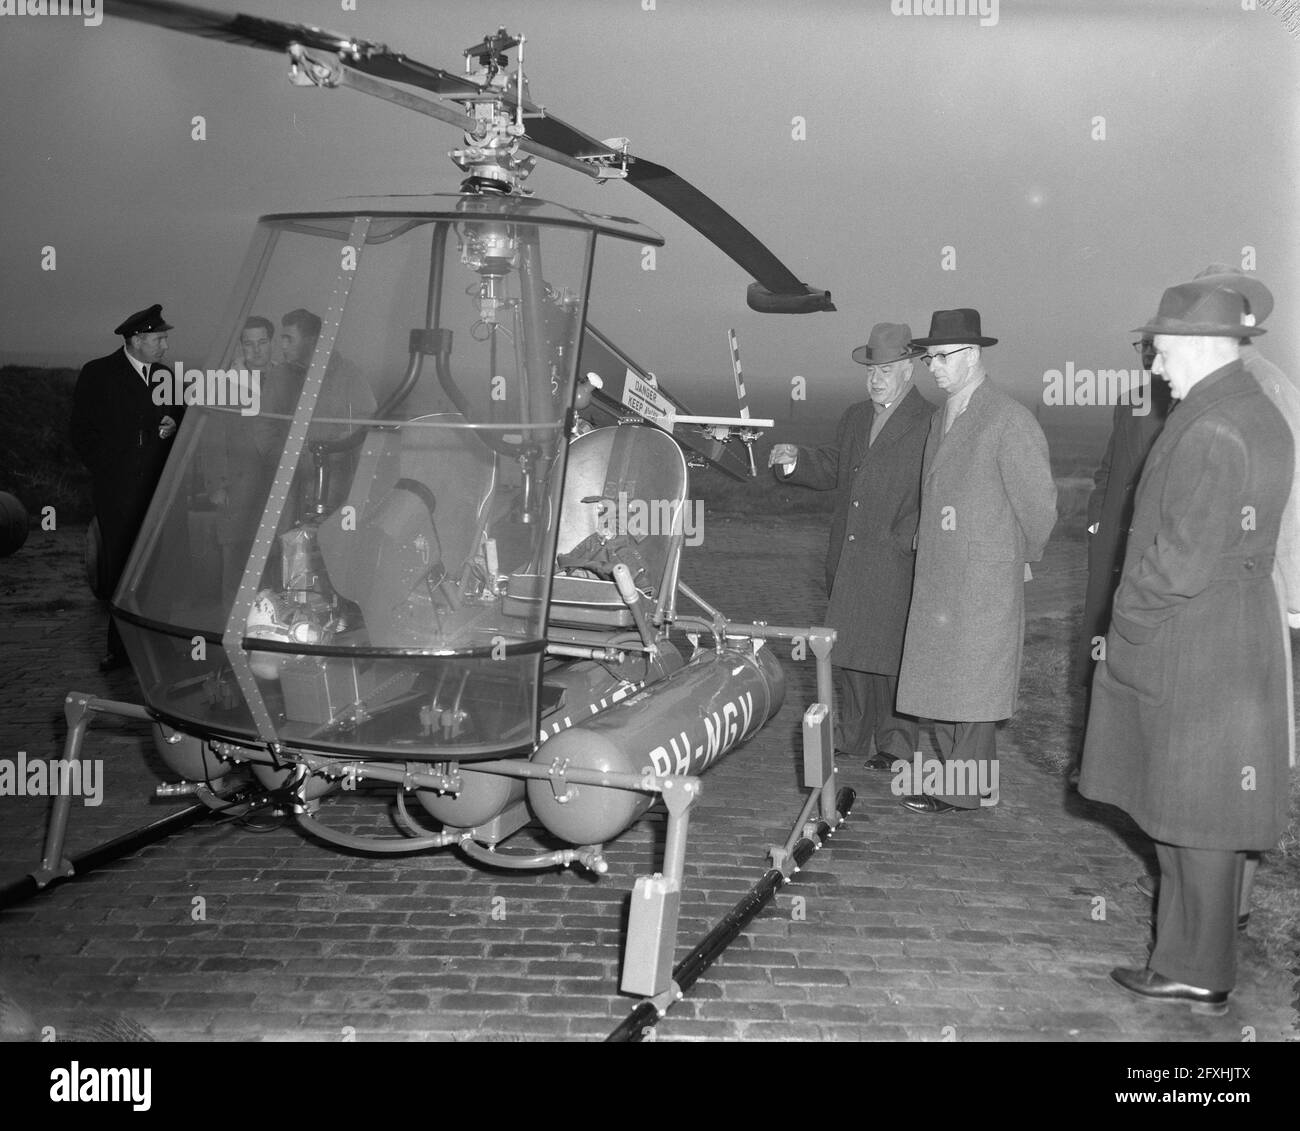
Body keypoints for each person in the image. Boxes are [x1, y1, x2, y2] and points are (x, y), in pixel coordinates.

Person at [1079, 279, 1293, 1013]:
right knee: (1193, 809)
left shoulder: (1212, 425)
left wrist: (1127, 618)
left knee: (1196, 813)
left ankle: (1198, 967)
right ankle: (1187, 958)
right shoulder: (1252, 410)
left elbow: (1182, 557)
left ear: (1199, 345)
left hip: (1192, 637)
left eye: (1161, 350)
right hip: (1231, 632)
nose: (1156, 365)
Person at [895, 309, 1057, 813]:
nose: (935, 369)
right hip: (940, 577)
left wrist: (1018, 560)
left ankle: (964, 789)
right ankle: (970, 784)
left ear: (973, 355)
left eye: (943, 358)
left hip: (983, 579)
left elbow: (1041, 506)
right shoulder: (941, 417)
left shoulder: (1009, 419)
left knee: (974, 688)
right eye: (929, 359)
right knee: (946, 685)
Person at [769, 323, 933, 768]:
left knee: (892, 654)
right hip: (850, 554)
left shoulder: (931, 421)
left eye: (886, 369)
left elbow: (937, 491)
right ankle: (855, 735)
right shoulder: (856, 416)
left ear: (909, 369)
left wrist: (905, 539)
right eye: (871, 370)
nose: (876, 378)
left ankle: (896, 744)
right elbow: (836, 466)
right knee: (853, 650)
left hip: (896, 557)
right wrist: (795, 461)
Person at [1072, 338, 1172, 787]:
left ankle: (1140, 770)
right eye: (1143, 347)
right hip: (1112, 548)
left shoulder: (1189, 403)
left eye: (1156, 346)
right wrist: (1098, 523)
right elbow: (1108, 470)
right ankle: (1092, 761)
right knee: (1100, 650)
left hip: (1155, 554)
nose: (1148, 355)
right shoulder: (1131, 398)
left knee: (1145, 657)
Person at [70, 304, 182, 672]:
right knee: (121, 570)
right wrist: (112, 471)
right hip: (118, 494)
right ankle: (120, 651)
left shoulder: (165, 376)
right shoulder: (99, 373)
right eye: (159, 339)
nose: (165, 346)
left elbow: (178, 422)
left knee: (158, 570)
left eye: (165, 339)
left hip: (157, 493)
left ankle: (155, 645)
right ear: (136, 339)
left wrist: (170, 428)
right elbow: (82, 434)